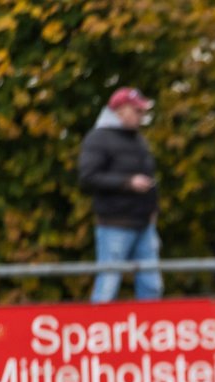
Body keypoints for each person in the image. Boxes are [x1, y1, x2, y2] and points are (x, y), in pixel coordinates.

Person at [78, 87, 163, 302]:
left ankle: (151, 331)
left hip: (144, 224)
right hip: (114, 224)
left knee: (152, 286)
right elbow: (87, 178)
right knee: (107, 286)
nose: (141, 116)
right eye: (137, 111)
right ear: (120, 110)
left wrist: (153, 211)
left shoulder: (138, 139)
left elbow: (149, 177)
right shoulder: (98, 138)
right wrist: (127, 183)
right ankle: (98, 331)